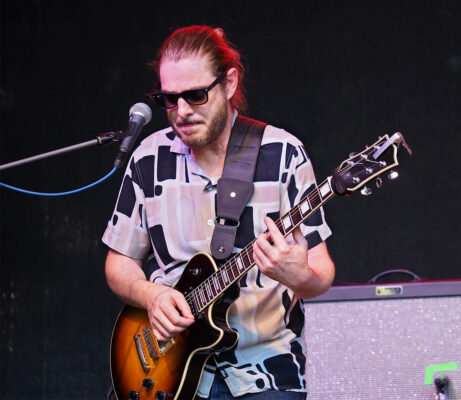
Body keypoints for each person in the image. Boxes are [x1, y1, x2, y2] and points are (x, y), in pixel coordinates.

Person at [102, 25, 335, 399]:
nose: (182, 112)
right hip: (164, 366)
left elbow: (321, 274)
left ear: (229, 82)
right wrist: (152, 297)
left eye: (195, 95)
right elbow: (119, 264)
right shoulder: (149, 157)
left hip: (265, 368)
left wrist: (299, 275)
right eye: (169, 98)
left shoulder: (284, 155)